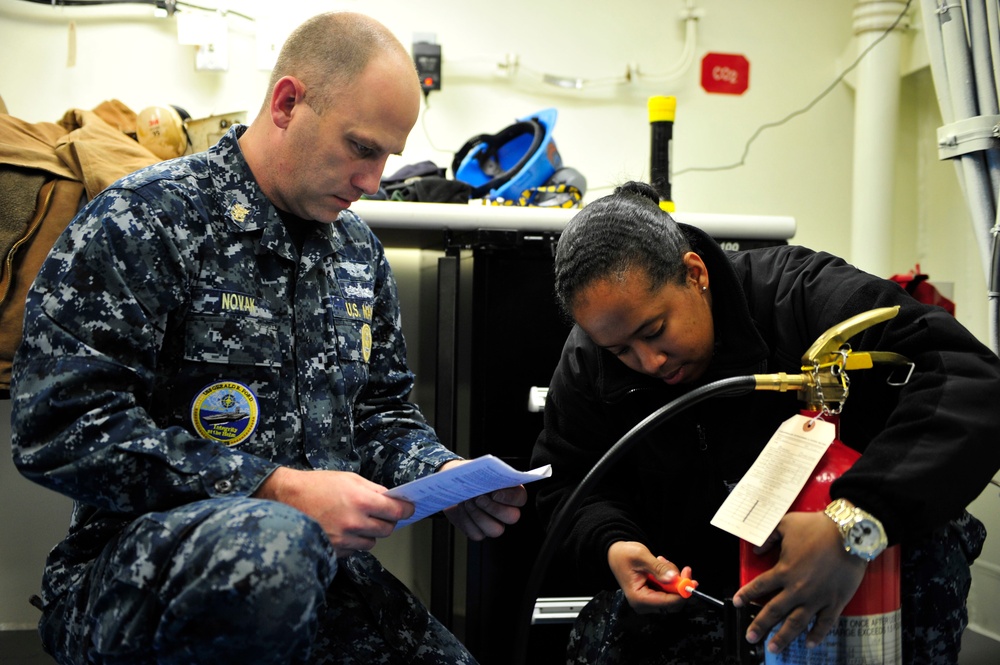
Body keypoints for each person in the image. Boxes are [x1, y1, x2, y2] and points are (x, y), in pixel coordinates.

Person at [10, 12, 526, 665]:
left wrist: (446, 475)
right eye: (361, 148)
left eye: (386, 158)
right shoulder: (148, 217)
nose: (373, 182)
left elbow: (383, 417)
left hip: (318, 579)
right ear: (287, 104)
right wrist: (273, 487)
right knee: (276, 542)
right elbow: (57, 430)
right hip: (137, 580)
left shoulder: (357, 254)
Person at [530, 181, 1000, 664]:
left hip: (866, 563)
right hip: (704, 591)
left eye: (655, 331)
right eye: (621, 350)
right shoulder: (590, 360)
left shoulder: (801, 292)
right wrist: (614, 542)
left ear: (695, 274)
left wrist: (855, 524)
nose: (648, 361)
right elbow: (566, 481)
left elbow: (971, 380)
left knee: (928, 552)